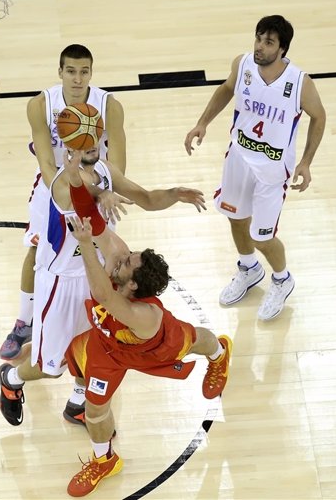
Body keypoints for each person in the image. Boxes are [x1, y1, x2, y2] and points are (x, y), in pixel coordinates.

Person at [0, 143, 206, 428]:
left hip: (96, 273)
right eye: (80, 140)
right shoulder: (60, 181)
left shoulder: (107, 173)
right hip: (62, 281)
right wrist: (96, 190)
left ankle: (77, 402)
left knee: (92, 347)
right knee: (52, 367)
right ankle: (10, 379)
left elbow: (144, 198)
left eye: (93, 136)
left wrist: (174, 195)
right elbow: (79, 198)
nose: (89, 144)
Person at [61, 159, 232, 497]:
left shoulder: (145, 316)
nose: (121, 255)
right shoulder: (119, 258)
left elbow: (104, 295)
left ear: (134, 286)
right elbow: (94, 222)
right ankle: (104, 459)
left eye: (126, 263)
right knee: (95, 408)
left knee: (198, 340)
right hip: (109, 347)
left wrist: (83, 245)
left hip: (153, 347)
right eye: (128, 256)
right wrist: (76, 182)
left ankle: (221, 354)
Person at [184, 14, 326, 321]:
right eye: (259, 39)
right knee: (236, 219)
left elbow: (319, 117)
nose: (260, 46)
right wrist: (202, 123)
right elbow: (226, 88)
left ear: (282, 49)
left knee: (263, 236)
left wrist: (305, 162)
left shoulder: (300, 83)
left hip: (273, 169)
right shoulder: (243, 64)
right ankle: (248, 269)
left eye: (269, 42)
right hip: (239, 157)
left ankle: (282, 279)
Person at [0, 43, 127, 361]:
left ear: (91, 73)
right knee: (37, 250)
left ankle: (101, 317)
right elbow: (46, 166)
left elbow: (119, 164)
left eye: (84, 71)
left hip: (98, 189)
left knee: (100, 256)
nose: (77, 79)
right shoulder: (41, 105)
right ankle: (23, 322)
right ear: (60, 72)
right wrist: (72, 189)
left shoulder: (109, 105)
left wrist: (101, 190)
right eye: (70, 71)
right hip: (53, 188)